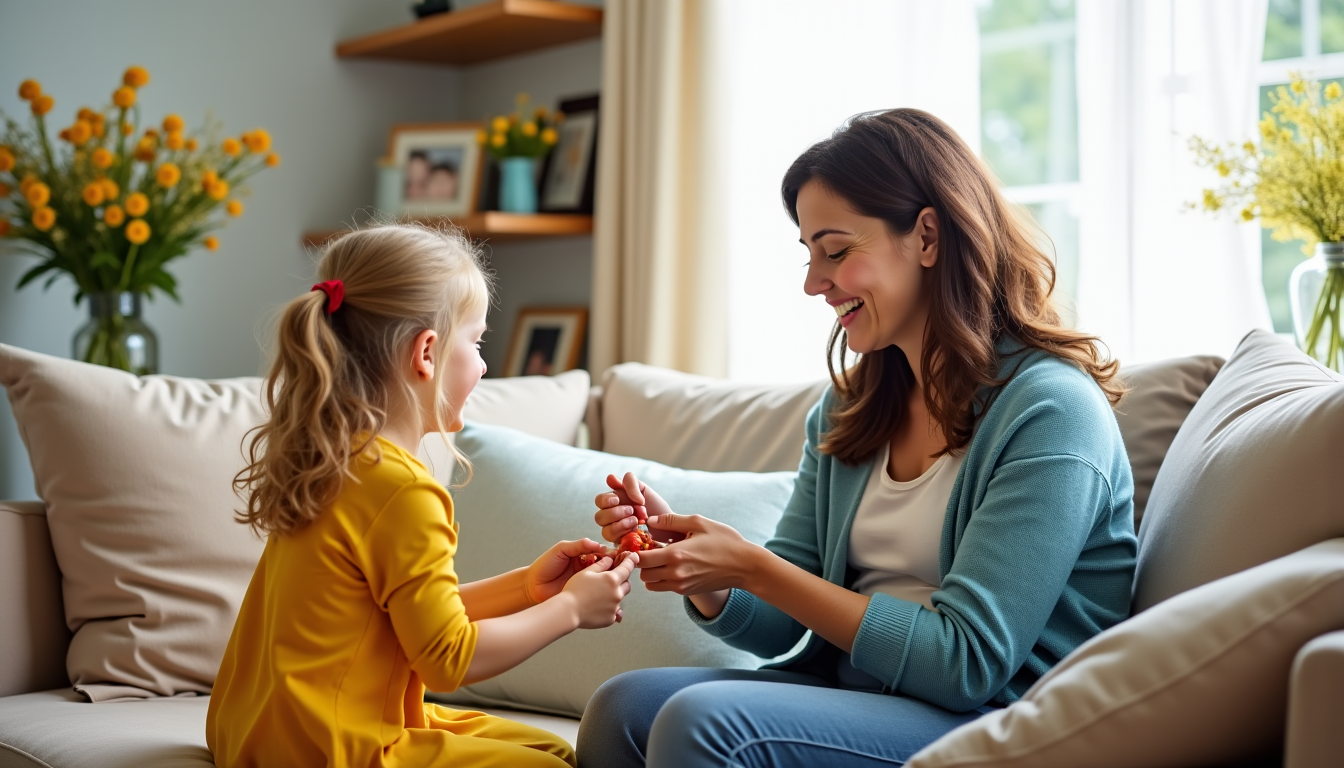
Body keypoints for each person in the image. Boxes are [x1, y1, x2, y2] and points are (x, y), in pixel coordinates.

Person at [575, 109, 1137, 768]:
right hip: (863, 698)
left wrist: (756, 567)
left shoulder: (1052, 413)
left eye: (836, 251)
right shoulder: (854, 404)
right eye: (810, 254)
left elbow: (968, 663)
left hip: (1005, 722)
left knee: (707, 724)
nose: (814, 283)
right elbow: (785, 614)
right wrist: (709, 572)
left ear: (927, 235)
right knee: (622, 709)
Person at [206, 224, 637, 768]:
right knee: (553, 764)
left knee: (544, 745)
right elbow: (446, 660)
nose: (483, 364)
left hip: (261, 734)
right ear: (426, 352)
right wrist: (572, 609)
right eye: (477, 342)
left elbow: (404, 618)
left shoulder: (336, 462)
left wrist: (531, 587)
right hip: (336, 748)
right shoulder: (403, 489)